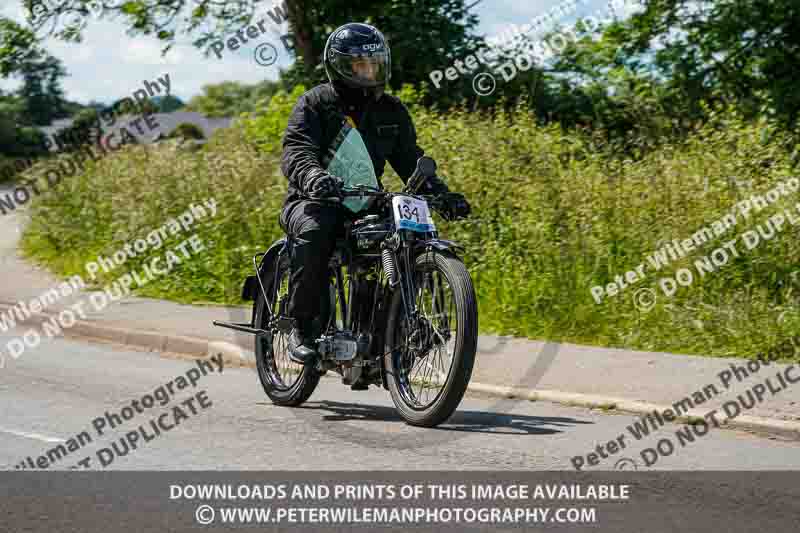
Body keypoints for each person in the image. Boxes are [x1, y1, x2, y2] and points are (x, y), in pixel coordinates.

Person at [279, 22, 471, 365]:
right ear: (339, 65)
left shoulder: (392, 111)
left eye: (375, 63)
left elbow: (409, 160)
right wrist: (312, 176)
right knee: (314, 231)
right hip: (314, 200)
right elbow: (296, 150)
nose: (370, 71)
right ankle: (300, 326)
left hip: (366, 200)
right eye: (360, 65)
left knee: (408, 236)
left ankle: (393, 328)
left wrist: (443, 195)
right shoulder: (315, 103)